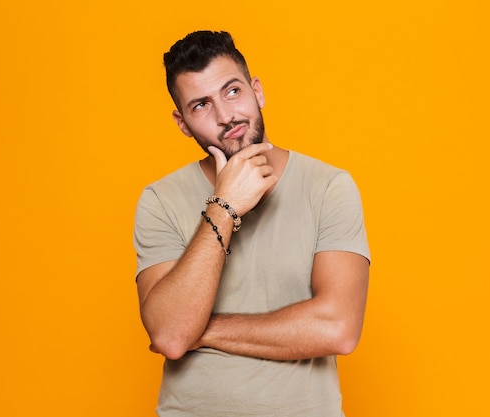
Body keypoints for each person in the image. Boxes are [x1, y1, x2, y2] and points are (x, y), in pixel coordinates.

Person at [133, 30, 370, 417]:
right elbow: (172, 336)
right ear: (182, 123)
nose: (226, 117)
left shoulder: (328, 187)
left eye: (232, 91)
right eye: (201, 105)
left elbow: (338, 329)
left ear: (256, 91)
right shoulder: (160, 200)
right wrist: (224, 207)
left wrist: (202, 329)